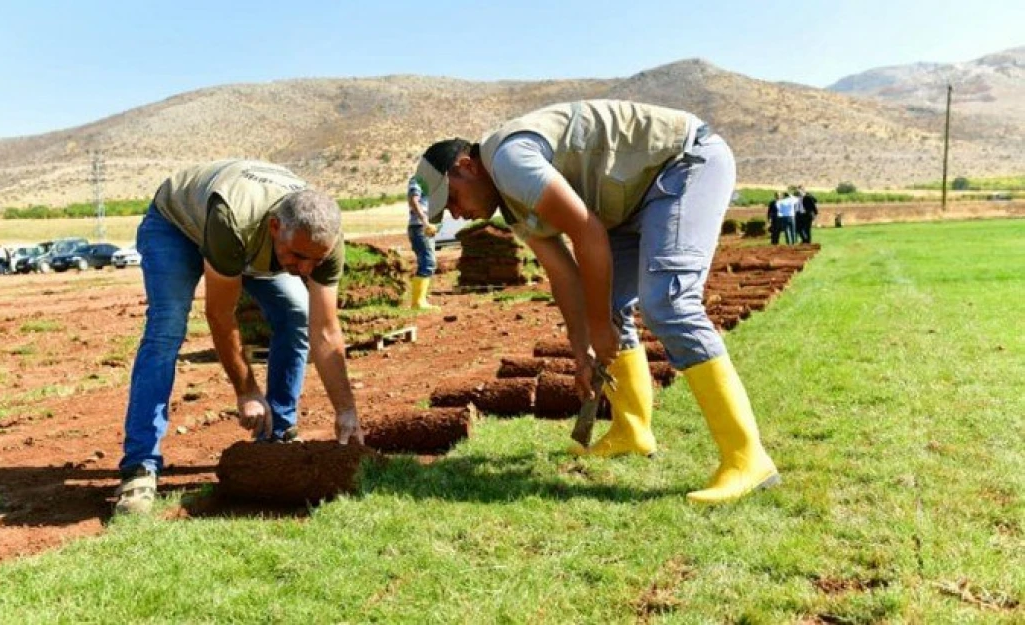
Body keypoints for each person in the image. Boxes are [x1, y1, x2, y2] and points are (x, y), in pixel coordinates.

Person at [415, 100, 779, 504]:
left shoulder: (510, 161)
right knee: (606, 306)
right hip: (630, 201)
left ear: (466, 166)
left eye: (452, 199)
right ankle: (631, 430)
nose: (457, 214)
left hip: (683, 164)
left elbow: (588, 233)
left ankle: (747, 458)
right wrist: (581, 346)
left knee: (669, 303)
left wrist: (600, 329)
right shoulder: (510, 204)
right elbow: (564, 274)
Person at [115, 160, 364, 515]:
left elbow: (325, 330)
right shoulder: (233, 220)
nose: (305, 270)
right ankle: (139, 466)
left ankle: (278, 432)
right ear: (276, 228)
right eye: (297, 257)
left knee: (296, 314)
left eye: (315, 260)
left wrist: (346, 410)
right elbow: (219, 314)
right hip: (177, 226)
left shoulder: (319, 241)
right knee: (166, 329)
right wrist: (246, 390)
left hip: (252, 245)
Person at [405, 175, 438, 309]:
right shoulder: (419, 179)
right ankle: (418, 302)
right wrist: (425, 221)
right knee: (427, 262)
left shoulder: (431, 182)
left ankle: (420, 300)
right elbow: (413, 200)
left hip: (423, 227)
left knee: (428, 262)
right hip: (419, 226)